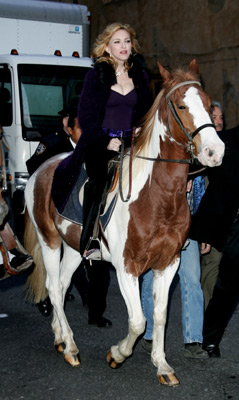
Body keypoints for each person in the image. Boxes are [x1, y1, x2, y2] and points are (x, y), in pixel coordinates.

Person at [51, 22, 152, 261]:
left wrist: (140, 135)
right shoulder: (95, 75)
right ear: (107, 47)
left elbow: (146, 112)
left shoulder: (139, 75)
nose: (123, 46)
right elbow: (86, 116)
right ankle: (91, 239)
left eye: (127, 41)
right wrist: (107, 141)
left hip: (133, 141)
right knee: (99, 179)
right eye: (117, 42)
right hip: (100, 141)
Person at [141, 176, 208, 359]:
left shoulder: (197, 167)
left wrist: (204, 234)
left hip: (187, 229)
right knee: (151, 280)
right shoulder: (160, 153)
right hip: (158, 228)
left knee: (193, 280)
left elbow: (201, 201)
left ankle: (193, 340)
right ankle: (149, 334)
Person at [190, 123, 239, 357]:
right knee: (227, 286)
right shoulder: (226, 141)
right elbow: (217, 190)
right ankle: (210, 338)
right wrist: (207, 233)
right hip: (234, 227)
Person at [200, 101, 224, 309]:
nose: (219, 121)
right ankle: (206, 312)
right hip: (204, 218)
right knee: (211, 265)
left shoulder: (227, 145)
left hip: (224, 216)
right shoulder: (201, 149)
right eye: (214, 117)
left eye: (221, 117)